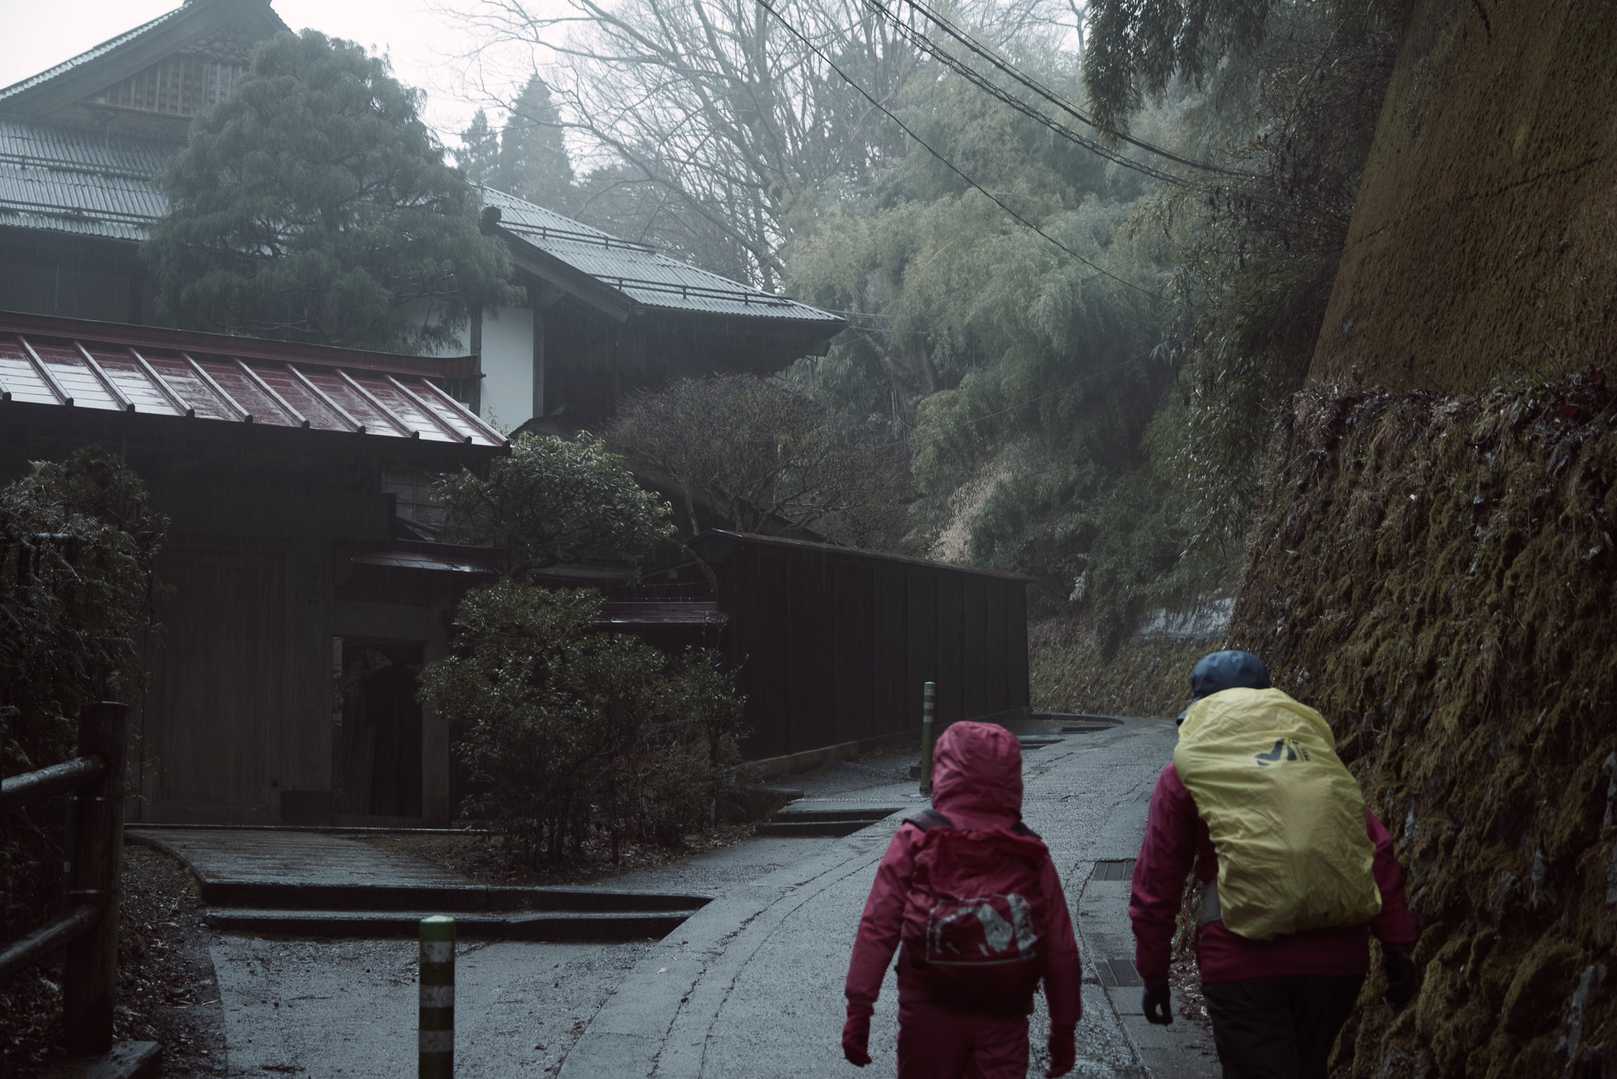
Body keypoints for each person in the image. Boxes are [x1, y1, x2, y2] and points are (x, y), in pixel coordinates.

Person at [1130, 649, 1420, 1079]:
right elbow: (1372, 848)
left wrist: (1154, 974)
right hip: (1338, 964)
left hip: (1241, 966)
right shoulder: (1314, 758)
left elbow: (1157, 882)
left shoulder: (1184, 774)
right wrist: (1397, 945)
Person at [842, 721, 1082, 1078]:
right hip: (1004, 1012)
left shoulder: (916, 837)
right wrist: (1063, 1028)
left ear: (943, 769)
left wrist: (859, 1009)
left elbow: (878, 925)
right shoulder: (1029, 850)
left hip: (928, 1012)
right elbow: (1060, 947)